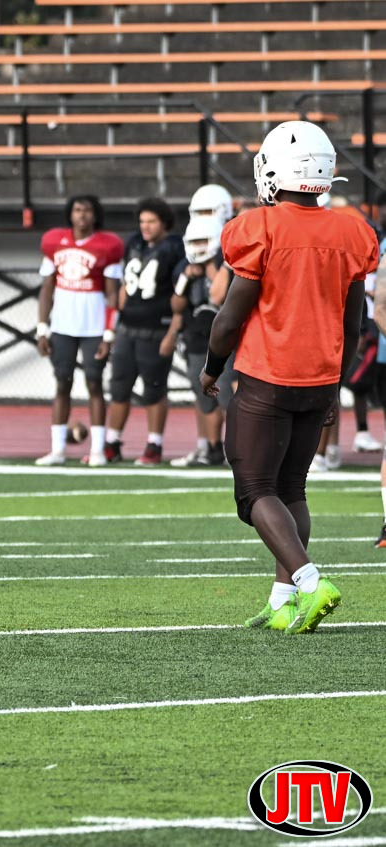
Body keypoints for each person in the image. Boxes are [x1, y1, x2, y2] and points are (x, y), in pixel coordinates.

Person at [202, 120, 378, 634]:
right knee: (291, 487)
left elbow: (229, 318)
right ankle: (283, 601)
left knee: (255, 490)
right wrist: (336, 384)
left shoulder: (259, 227)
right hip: (321, 377)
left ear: (275, 171)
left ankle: (308, 580)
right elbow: (354, 323)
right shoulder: (353, 231)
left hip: (266, 375)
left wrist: (213, 368)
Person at [33, 194, 124, 466]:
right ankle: (57, 449)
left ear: (95, 215)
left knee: (94, 383)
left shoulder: (108, 246)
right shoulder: (53, 242)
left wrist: (109, 333)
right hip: (62, 324)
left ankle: (97, 449)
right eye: (77, 210)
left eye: (86, 210)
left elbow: (112, 295)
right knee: (62, 382)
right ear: (69, 214)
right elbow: (47, 289)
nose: (81, 215)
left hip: (93, 324)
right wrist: (41, 327)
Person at [105, 198, 184, 465]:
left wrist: (173, 331)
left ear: (164, 223)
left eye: (151, 221)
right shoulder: (134, 243)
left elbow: (180, 294)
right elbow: (126, 286)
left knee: (154, 390)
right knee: (119, 387)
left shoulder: (174, 247)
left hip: (156, 329)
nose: (145, 226)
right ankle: (112, 442)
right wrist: (115, 324)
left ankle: (154, 445)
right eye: (142, 221)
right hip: (128, 327)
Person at [169, 215, 229, 467]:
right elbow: (176, 306)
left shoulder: (227, 264)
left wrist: (214, 269)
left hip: (224, 339)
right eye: (195, 241)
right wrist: (185, 278)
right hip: (196, 338)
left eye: (203, 240)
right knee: (202, 393)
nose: (199, 246)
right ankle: (211, 448)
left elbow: (217, 296)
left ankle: (233, 448)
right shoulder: (184, 267)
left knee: (227, 392)